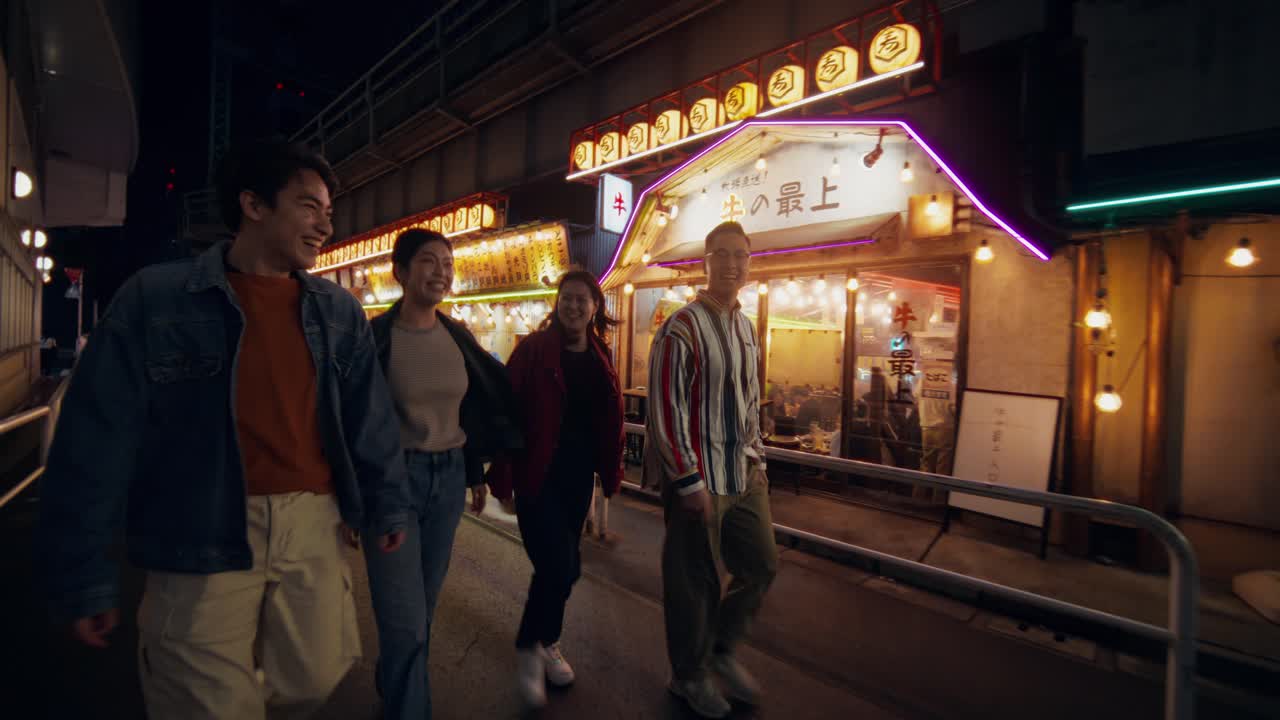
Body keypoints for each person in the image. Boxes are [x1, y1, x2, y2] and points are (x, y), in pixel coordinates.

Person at [37, 138, 412, 720]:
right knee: (203, 703)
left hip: (312, 523)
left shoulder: (337, 313)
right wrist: (81, 570)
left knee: (318, 676)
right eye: (309, 207)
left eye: (328, 213)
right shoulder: (156, 299)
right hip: (199, 522)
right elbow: (95, 440)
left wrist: (387, 503)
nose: (324, 226)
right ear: (253, 205)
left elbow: (370, 417)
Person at [364, 228, 522, 720]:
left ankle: (396, 684)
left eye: (448, 264)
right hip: (394, 485)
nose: (442, 272)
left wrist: (474, 469)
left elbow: (468, 411)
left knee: (422, 611)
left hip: (449, 479)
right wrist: (354, 497)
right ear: (401, 271)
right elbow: (359, 424)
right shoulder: (376, 339)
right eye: (429, 261)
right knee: (405, 619)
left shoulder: (457, 335)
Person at [645, 221, 778, 719]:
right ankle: (689, 676)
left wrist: (758, 458)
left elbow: (749, 402)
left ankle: (720, 649)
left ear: (749, 262)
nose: (732, 264)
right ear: (706, 261)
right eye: (721, 254)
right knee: (693, 581)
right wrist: (686, 481)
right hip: (699, 478)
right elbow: (666, 408)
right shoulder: (681, 326)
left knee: (762, 564)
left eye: (740, 255)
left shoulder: (746, 326)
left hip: (743, 473)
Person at [486, 270, 625, 708]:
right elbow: (504, 413)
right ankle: (531, 647)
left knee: (567, 567)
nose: (574, 305)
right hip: (536, 475)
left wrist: (610, 470)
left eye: (582, 299)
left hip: (577, 478)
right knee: (557, 565)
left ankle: (548, 641)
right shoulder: (533, 350)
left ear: (595, 306)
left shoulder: (601, 355)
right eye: (567, 298)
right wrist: (501, 476)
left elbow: (610, 420)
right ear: (557, 302)